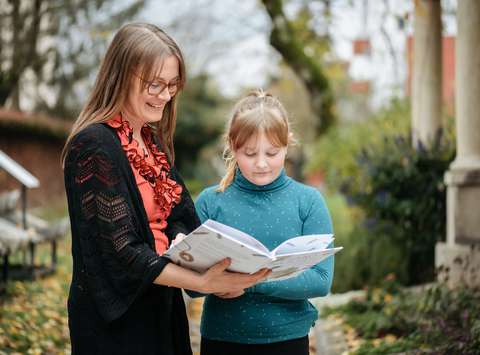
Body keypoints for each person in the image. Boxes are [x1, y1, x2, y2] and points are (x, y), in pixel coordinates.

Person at [61, 23, 269, 355]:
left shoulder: (151, 141)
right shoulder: (93, 146)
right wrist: (203, 282)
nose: (165, 95)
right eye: (155, 84)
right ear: (121, 76)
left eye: (172, 85)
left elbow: (181, 216)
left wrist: (187, 247)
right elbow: (120, 253)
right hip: (116, 320)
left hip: (163, 302)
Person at [193, 90, 335, 355]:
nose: (261, 164)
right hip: (222, 340)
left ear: (287, 144)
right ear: (232, 146)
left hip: (288, 341)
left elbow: (321, 280)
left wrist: (248, 283)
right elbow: (191, 289)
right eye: (249, 153)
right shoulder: (210, 202)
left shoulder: (308, 201)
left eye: (272, 153)